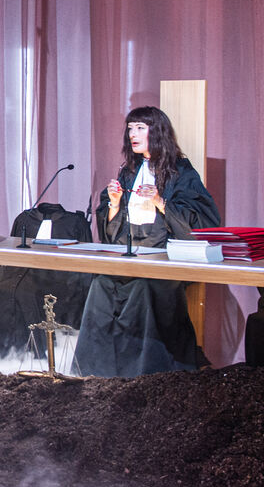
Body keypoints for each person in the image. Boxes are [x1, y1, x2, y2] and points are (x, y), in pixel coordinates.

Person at [75, 106, 221, 377]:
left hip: (167, 257)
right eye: (130, 128)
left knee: (141, 288)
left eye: (140, 128)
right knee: (101, 285)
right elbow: (112, 231)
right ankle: (94, 372)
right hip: (131, 254)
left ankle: (142, 373)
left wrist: (159, 201)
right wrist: (115, 204)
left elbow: (203, 222)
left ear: (157, 132)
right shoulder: (129, 172)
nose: (133, 134)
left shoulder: (182, 172)